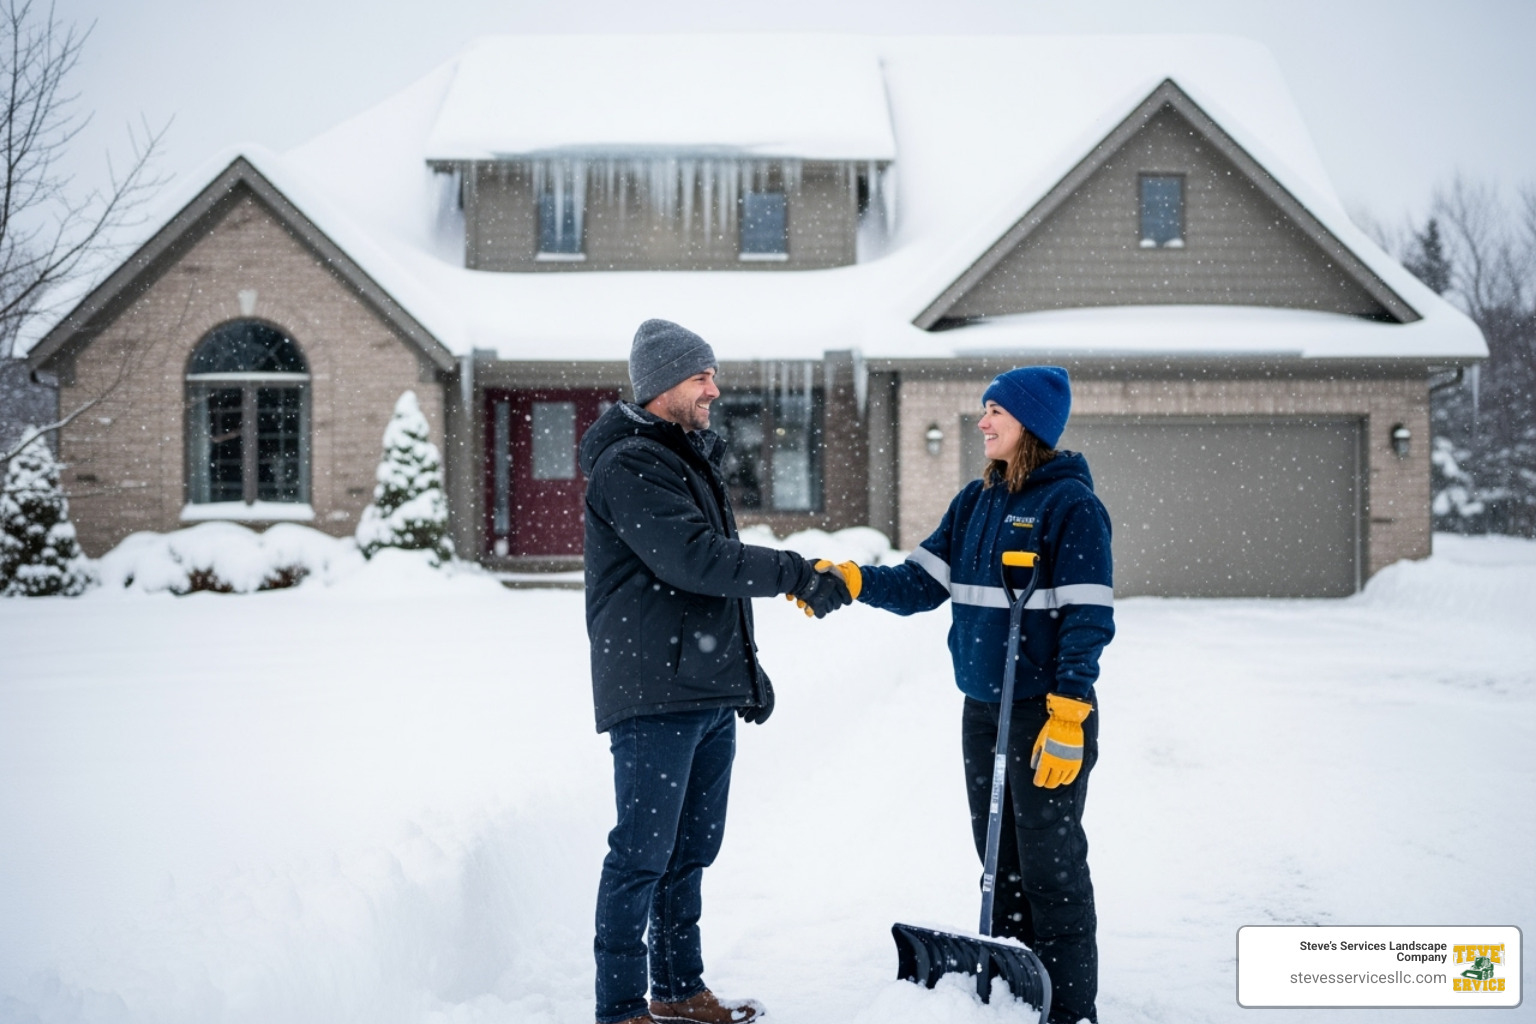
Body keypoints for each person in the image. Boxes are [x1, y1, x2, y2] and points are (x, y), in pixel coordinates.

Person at [579, 318, 852, 1024]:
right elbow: (695, 561)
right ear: (663, 383)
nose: (714, 389)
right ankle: (619, 1007)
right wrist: (795, 571)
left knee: (691, 850)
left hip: (700, 689)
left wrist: (744, 676)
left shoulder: (686, 457)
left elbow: (707, 586)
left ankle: (676, 989)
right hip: (653, 691)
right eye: (701, 377)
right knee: (642, 852)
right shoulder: (631, 465)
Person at [830, 366, 1114, 1024]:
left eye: (996, 412)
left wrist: (1069, 711)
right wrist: (851, 580)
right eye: (985, 410)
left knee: (1053, 868)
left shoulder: (1072, 508)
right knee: (1000, 862)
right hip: (983, 711)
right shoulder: (975, 502)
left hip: (1047, 712)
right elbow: (917, 585)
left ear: (1031, 426)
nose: (982, 422)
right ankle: (1019, 993)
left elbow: (1087, 617)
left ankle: (1071, 1010)